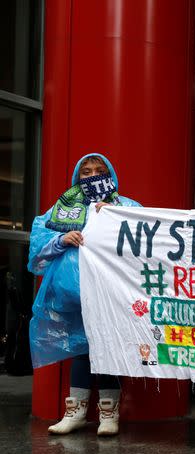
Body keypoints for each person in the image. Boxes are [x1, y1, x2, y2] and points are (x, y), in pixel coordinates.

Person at [28, 153, 141, 437]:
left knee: (108, 348)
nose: (92, 176)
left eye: (99, 170)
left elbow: (144, 243)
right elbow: (39, 243)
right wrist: (61, 239)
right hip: (73, 295)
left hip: (110, 292)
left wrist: (115, 219)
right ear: (78, 177)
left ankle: (108, 414)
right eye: (86, 171)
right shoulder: (63, 208)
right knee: (80, 349)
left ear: (110, 174)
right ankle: (75, 413)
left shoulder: (125, 207)